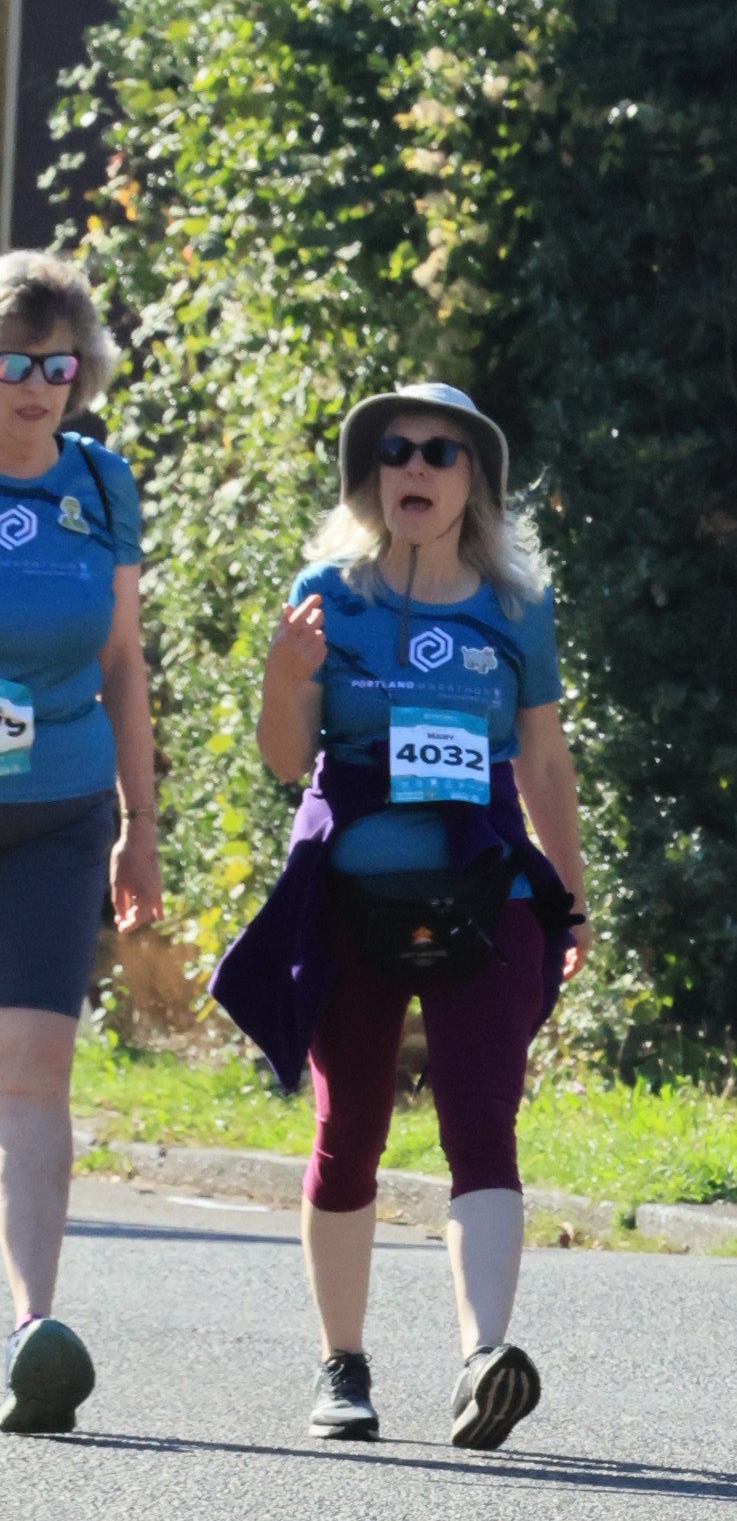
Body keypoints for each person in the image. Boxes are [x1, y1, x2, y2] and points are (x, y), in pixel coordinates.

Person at [226, 382, 586, 1449]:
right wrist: (283, 682)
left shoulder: (516, 605)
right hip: (353, 896)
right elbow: (287, 762)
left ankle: (484, 1361)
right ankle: (342, 1367)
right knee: (351, 1128)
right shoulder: (325, 596)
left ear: (476, 479)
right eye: (394, 453)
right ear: (370, 478)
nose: (414, 468)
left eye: (439, 452)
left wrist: (568, 900)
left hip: (486, 891)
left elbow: (545, 760)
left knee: (484, 1119)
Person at [0, 255, 160, 1431]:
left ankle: (32, 1333)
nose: (34, 387)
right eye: (12, 362)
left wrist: (139, 827)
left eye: (56, 366)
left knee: (34, 1068)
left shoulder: (100, 484)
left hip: (61, 812)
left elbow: (122, 665)